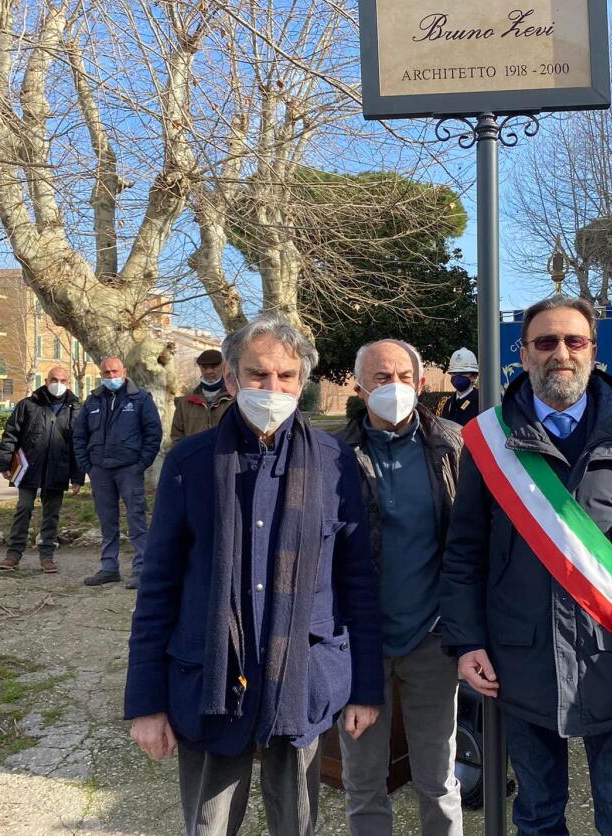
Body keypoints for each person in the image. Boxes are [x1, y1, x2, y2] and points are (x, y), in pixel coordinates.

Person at [441, 295, 612, 836]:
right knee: (536, 815)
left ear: (593, 351)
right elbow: (464, 552)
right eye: (546, 342)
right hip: (520, 662)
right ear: (524, 353)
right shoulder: (489, 441)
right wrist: (467, 643)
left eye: (574, 341)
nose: (561, 353)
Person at [125, 314, 383, 836]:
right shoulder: (190, 462)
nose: (273, 387)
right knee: (210, 824)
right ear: (235, 378)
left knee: (298, 823)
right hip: (212, 679)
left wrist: (365, 687)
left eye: (286, 376)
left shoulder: (335, 463)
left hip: (302, 678)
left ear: (302, 381)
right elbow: (159, 586)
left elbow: (356, 580)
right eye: (259, 375)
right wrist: (145, 702)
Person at [336, 339, 464, 836]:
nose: (394, 387)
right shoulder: (335, 455)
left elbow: (470, 542)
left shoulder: (452, 445)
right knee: (364, 781)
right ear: (359, 386)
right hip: (359, 645)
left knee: (437, 778)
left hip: (431, 639)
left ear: (421, 383)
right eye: (381, 378)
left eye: (404, 377)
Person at [72, 356, 162, 590]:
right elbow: (79, 435)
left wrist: (141, 464)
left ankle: (142, 569)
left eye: (114, 372)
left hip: (129, 469)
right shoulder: (93, 400)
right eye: (106, 373)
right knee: (107, 520)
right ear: (101, 374)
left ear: (124, 371)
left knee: (137, 519)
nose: (111, 377)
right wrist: (86, 466)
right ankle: (109, 567)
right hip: (100, 470)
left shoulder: (140, 399)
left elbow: (153, 434)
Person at [0, 366, 84, 574]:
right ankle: (13, 554)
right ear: (45, 380)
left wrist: (78, 476)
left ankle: (47, 556)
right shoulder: (27, 405)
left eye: (63, 380)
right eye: (54, 379)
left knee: (51, 514)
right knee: (23, 508)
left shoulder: (76, 409)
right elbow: (10, 435)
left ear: (68, 383)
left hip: (58, 468)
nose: (58, 384)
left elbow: (78, 445)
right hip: (27, 468)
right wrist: (5, 463)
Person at [171, 348, 232, 444]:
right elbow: (176, 437)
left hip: (226, 457)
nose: (209, 371)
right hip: (194, 457)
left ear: (223, 367)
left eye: (214, 366)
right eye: (204, 367)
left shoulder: (234, 399)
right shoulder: (185, 403)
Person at [436, 347, 480, 425]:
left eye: (463, 373)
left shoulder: (481, 401)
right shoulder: (445, 403)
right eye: (454, 373)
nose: (457, 376)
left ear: (474, 377)